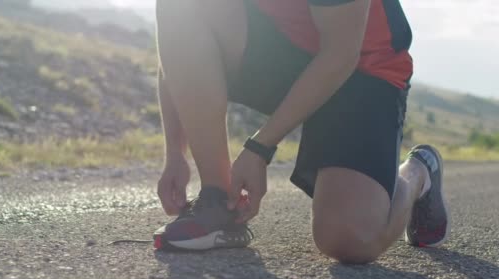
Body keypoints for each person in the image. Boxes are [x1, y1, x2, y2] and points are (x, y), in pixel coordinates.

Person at [152, 0, 450, 264]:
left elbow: (342, 53)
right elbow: (178, 32)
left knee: (347, 240)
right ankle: (217, 202)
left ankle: (418, 172)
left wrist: (260, 148)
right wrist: (175, 153)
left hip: (363, 68)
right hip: (285, 49)